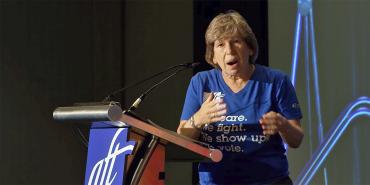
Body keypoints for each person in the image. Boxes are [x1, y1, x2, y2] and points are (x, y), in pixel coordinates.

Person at [177, 10, 304, 185]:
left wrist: (282, 125)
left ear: (250, 48)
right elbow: (181, 139)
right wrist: (198, 119)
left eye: (236, 41)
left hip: (270, 181)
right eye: (220, 44)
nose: (229, 50)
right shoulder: (201, 82)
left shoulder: (276, 81)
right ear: (213, 55)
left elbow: (296, 139)